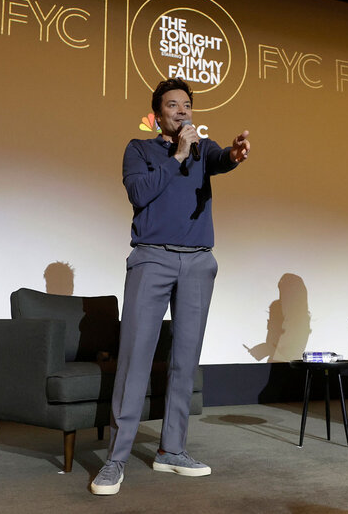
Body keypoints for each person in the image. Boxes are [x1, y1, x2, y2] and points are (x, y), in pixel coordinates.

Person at [90, 78, 251, 495]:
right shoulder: (139, 149)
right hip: (151, 257)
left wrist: (233, 154)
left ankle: (171, 451)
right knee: (135, 359)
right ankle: (116, 459)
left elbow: (222, 159)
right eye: (173, 105)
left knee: (185, 359)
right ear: (157, 114)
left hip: (198, 261)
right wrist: (176, 155)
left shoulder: (203, 149)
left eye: (187, 105)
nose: (182, 111)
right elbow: (139, 194)